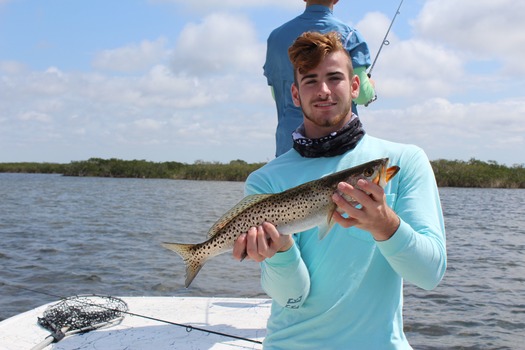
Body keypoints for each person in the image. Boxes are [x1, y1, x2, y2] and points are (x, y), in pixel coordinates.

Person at [233, 31, 446, 349]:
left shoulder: (404, 161)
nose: (323, 91)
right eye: (310, 81)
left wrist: (384, 224)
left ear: (355, 86)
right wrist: (279, 253)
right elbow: (292, 298)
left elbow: (429, 275)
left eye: (334, 78)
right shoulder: (266, 180)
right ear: (295, 94)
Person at [264, 0, 375, 157]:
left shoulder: (275, 37)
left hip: (287, 148)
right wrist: (370, 86)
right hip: (340, 151)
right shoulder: (350, 35)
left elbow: (277, 93)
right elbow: (362, 95)